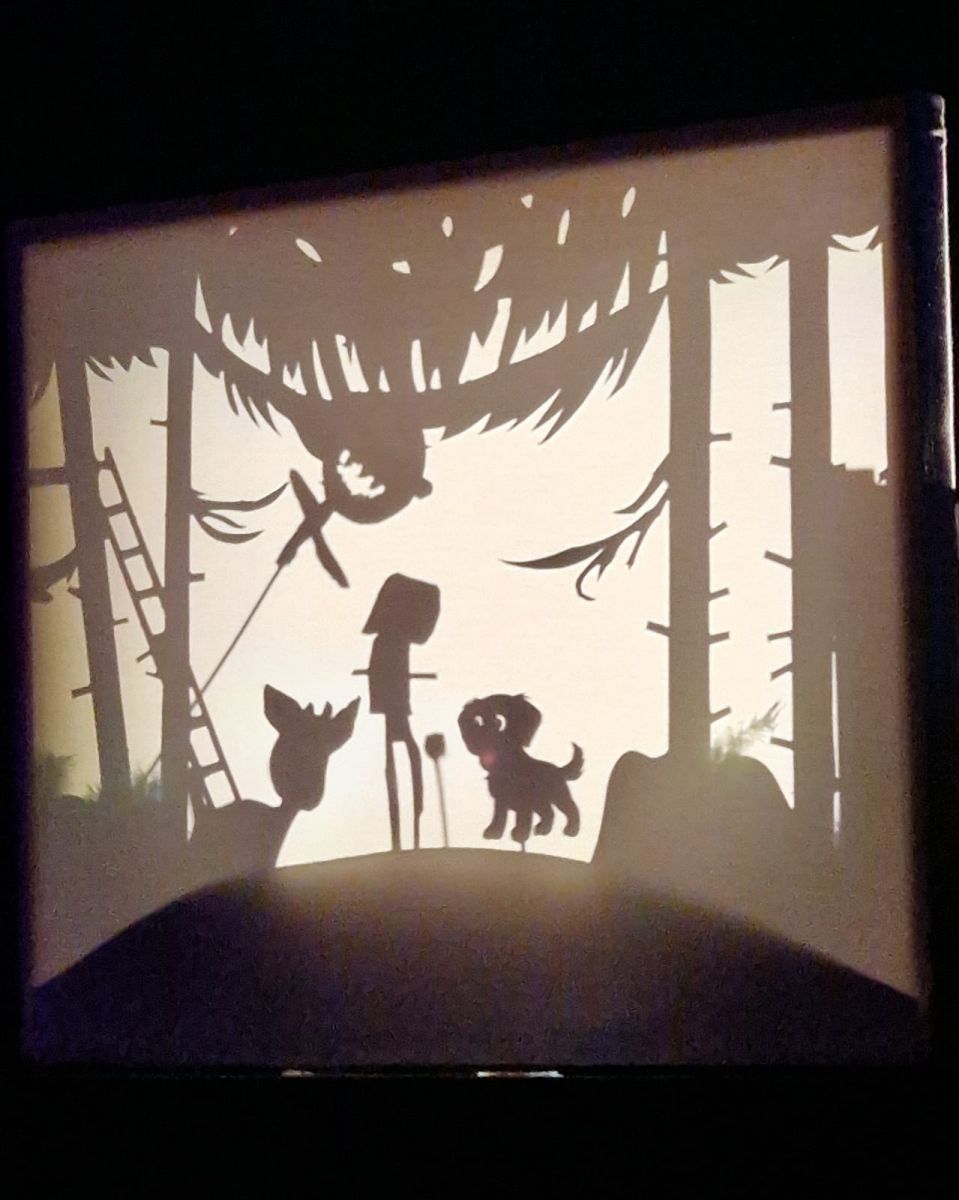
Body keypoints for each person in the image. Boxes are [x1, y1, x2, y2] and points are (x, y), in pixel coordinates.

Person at [359, 574, 440, 850]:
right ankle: (403, 832)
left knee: (404, 746)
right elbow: (382, 672)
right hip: (392, 701)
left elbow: (388, 671)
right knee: (400, 748)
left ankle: (412, 823)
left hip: (395, 702)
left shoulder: (395, 641)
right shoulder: (389, 641)